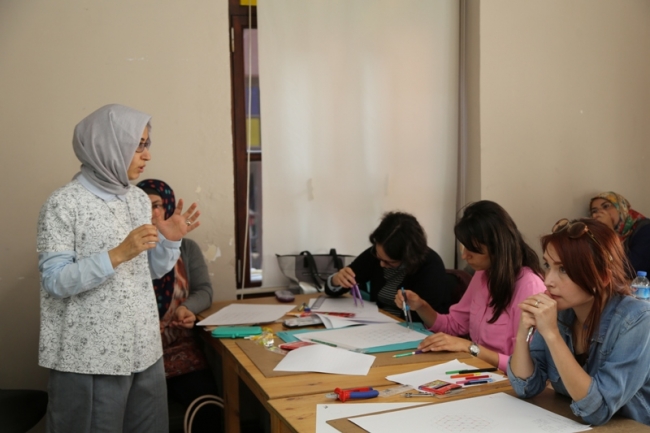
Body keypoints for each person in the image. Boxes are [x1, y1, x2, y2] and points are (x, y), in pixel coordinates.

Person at [37, 104, 200, 433]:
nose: (147, 155)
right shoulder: (63, 203)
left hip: (144, 350)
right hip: (90, 357)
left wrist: (169, 242)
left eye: (147, 144)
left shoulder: (136, 199)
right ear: (108, 146)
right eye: (138, 146)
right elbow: (54, 281)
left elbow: (145, 273)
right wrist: (116, 255)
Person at [508, 218, 650, 426]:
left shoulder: (637, 320)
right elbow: (525, 387)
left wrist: (552, 335)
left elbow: (597, 410)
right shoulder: (561, 311)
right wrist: (522, 334)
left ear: (602, 277)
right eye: (548, 265)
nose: (548, 280)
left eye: (563, 270)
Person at [395, 201, 546, 372]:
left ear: (497, 248)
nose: (465, 256)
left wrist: (470, 348)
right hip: (478, 371)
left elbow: (529, 368)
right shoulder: (483, 274)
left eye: (473, 250)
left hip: (508, 380)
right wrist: (421, 306)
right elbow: (454, 325)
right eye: (464, 247)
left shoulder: (530, 286)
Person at [137, 179, 220, 433]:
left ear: (168, 207)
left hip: (180, 349)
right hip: (138, 354)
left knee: (208, 406)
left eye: (157, 205)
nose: (152, 213)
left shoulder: (187, 248)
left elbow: (204, 291)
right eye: (143, 205)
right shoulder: (129, 249)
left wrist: (187, 308)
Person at [325, 211, 452, 321]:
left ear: (408, 258)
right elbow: (336, 288)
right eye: (379, 257)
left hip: (408, 330)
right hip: (377, 323)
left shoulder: (430, 266)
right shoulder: (377, 253)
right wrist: (336, 280)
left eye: (390, 262)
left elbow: (420, 320)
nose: (381, 264)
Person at [589, 191, 650, 277]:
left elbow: (629, 270)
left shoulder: (645, 229)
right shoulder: (596, 235)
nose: (600, 213)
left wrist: (609, 232)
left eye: (606, 206)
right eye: (594, 211)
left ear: (621, 208)